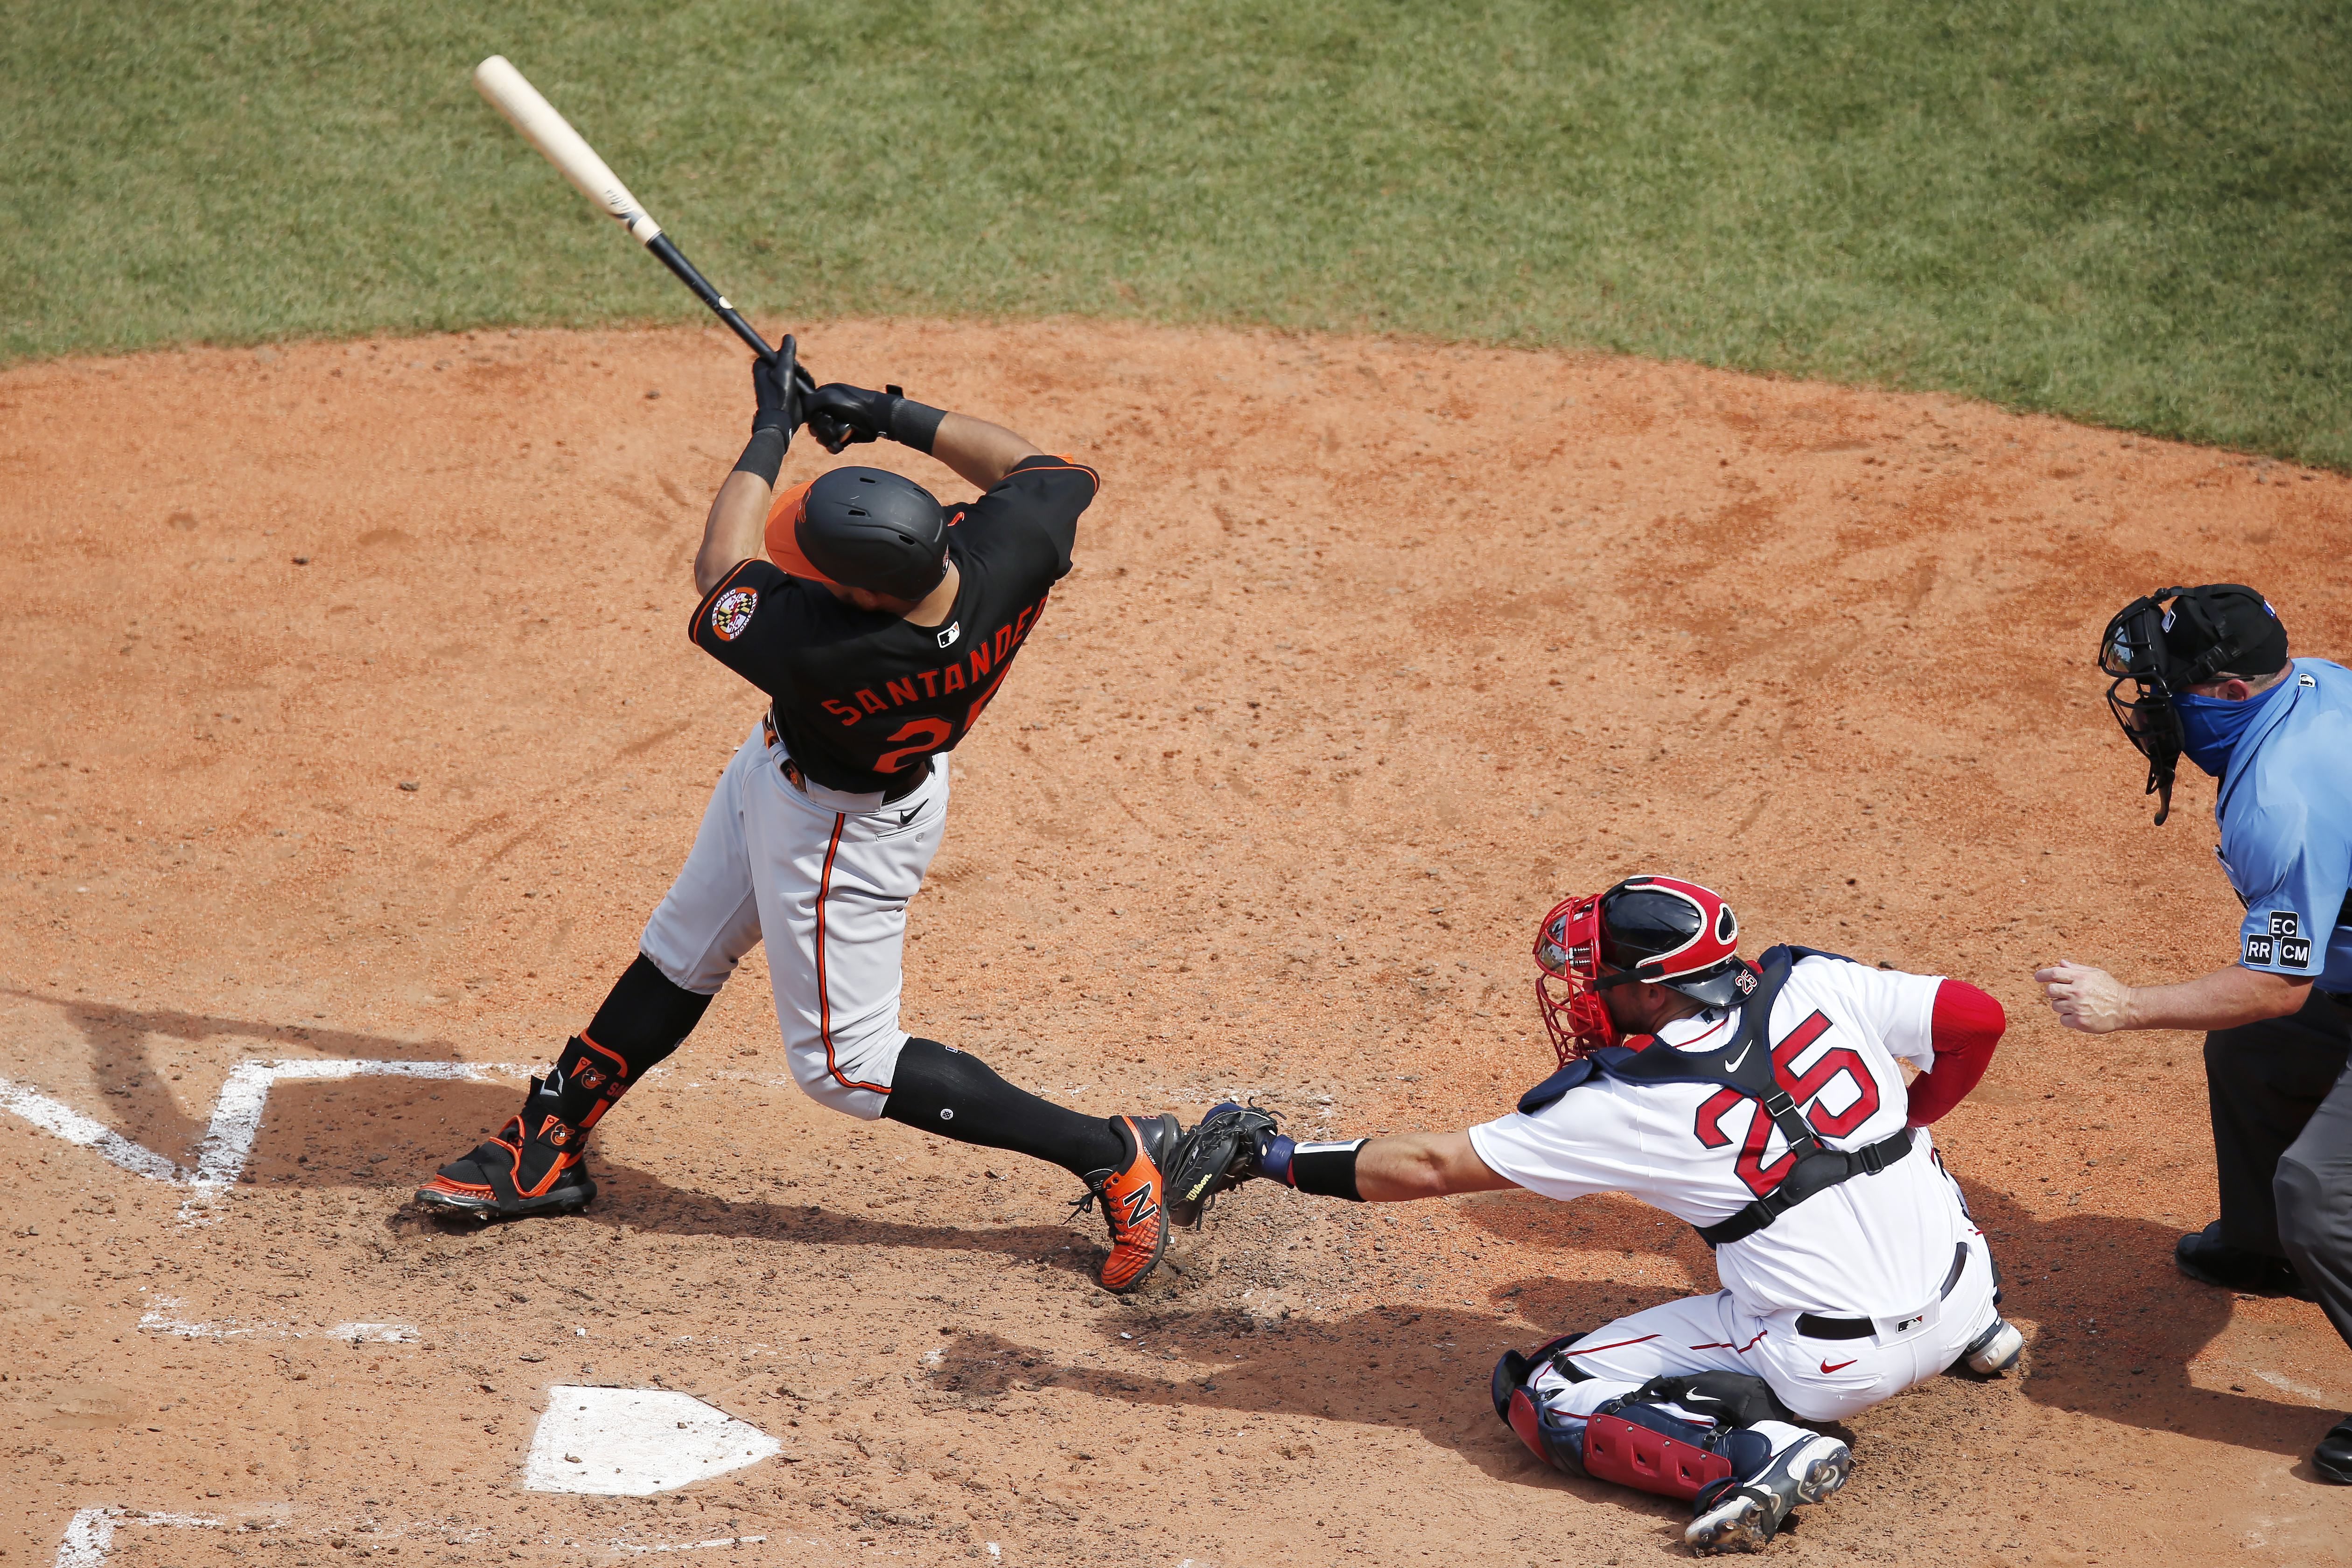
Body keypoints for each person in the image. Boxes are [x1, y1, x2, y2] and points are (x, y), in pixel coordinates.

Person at [414, 346, 1180, 1293]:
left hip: (838, 839)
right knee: (682, 949)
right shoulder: (1008, 552)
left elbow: (718, 568)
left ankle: (1108, 1149)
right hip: (803, 779)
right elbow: (1041, 468)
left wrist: (772, 426)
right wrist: (892, 414)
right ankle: (551, 1137)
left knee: (846, 1067)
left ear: (861, 595)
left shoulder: (835, 652)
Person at [1167, 875, 2019, 1553]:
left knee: (1550, 1392)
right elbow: (1979, 1018)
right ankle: (1978, 1334)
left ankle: (1761, 1454)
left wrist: (1269, 1155)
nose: (1583, 993)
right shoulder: (1825, 985)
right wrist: (1914, 1114)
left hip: (1831, 1371)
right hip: (1967, 1291)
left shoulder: (1624, 1102)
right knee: (1892, 1159)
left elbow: (1431, 1167)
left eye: (1599, 977)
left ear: (1652, 989)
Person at [2037, 583, 2352, 1483]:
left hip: (2326, 981)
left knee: (2323, 1196)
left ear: (2230, 694)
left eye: (2170, 690)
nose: (2152, 709)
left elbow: (2276, 987)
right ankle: (2261, 1249)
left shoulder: (2281, 798)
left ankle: (2292, 1230)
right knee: (2252, 1055)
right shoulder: (2315, 684)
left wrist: (2125, 1004)